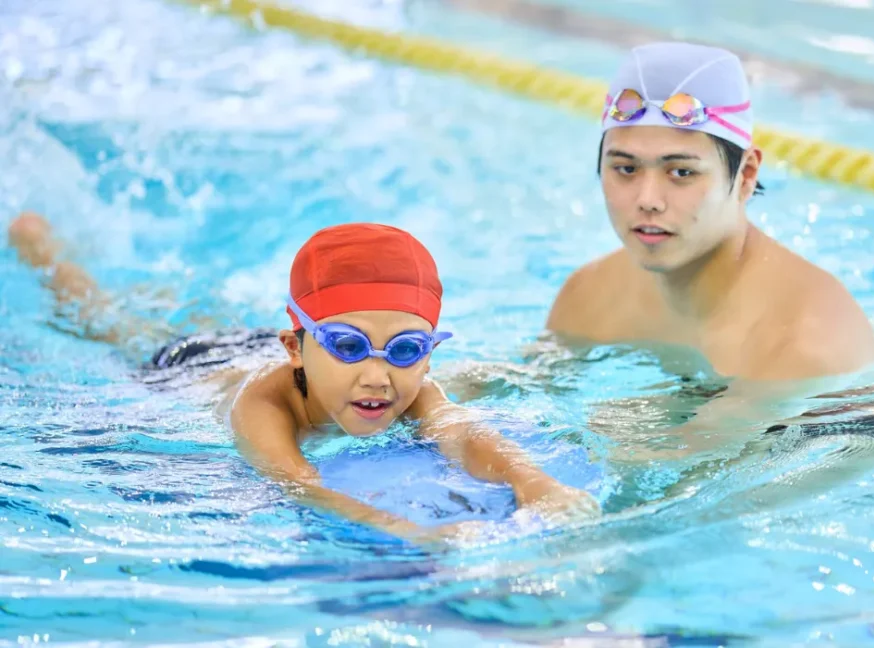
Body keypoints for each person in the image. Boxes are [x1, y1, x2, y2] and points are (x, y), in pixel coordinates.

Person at [7, 212, 599, 545]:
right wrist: (409, 532)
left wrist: (536, 484)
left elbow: (464, 435)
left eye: (405, 350)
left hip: (277, 348)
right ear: (295, 347)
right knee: (106, 322)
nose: (377, 376)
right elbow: (300, 486)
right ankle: (45, 253)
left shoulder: (413, 387)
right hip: (189, 365)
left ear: (427, 357)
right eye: (348, 346)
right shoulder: (261, 407)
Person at [547, 41, 874, 387]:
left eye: (681, 172)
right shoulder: (588, 296)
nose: (648, 200)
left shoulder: (803, 342)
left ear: (746, 175)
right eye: (626, 169)